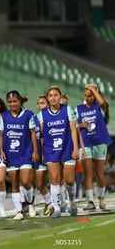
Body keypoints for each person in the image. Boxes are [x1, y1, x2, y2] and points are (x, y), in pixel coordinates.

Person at [37, 85, 79, 218]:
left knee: (70, 180)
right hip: (50, 149)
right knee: (54, 178)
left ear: (60, 97)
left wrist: (75, 148)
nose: (53, 98)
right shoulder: (42, 114)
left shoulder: (67, 110)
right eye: (50, 95)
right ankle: (56, 208)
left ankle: (72, 202)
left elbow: (73, 130)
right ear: (47, 98)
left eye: (56, 95)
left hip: (67, 148)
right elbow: (41, 135)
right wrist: (43, 152)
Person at [0, 90, 39, 220]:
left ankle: (30, 204)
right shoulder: (4, 116)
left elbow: (33, 133)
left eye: (14, 101)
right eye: (9, 102)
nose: (12, 104)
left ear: (20, 101)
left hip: (25, 152)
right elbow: (0, 135)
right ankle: (19, 211)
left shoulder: (28, 115)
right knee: (15, 183)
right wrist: (1, 151)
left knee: (26, 181)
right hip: (11, 154)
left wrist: (35, 151)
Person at [75, 84, 111, 210]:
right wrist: (80, 126)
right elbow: (73, 127)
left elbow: (103, 103)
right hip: (85, 144)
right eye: (85, 96)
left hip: (100, 142)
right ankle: (90, 201)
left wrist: (94, 90)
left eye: (89, 96)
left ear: (95, 96)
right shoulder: (78, 108)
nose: (87, 98)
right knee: (87, 174)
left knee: (99, 173)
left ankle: (101, 198)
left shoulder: (98, 107)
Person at [33, 95, 53, 216]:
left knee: (57, 180)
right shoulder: (34, 118)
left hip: (52, 152)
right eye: (38, 103)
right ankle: (49, 202)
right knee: (40, 183)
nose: (40, 105)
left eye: (43, 103)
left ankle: (59, 204)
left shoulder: (50, 117)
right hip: (39, 155)